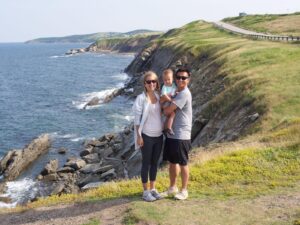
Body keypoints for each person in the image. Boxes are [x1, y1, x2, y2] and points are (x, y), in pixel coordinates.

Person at [161, 67, 192, 200]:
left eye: (183, 78)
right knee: (173, 162)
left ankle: (184, 190)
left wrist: (163, 107)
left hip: (181, 134)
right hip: (173, 133)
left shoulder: (184, 93)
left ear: (188, 80)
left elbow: (168, 111)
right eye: (178, 77)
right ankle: (173, 188)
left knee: (183, 162)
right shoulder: (177, 92)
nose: (180, 80)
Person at [132, 71, 164, 202]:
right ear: (144, 84)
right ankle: (145, 192)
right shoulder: (141, 98)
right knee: (146, 163)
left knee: (155, 163)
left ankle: (153, 189)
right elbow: (136, 120)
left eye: (154, 81)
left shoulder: (158, 95)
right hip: (146, 135)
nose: (151, 84)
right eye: (148, 82)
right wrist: (139, 136)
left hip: (159, 136)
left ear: (157, 83)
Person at [160, 69, 177, 135]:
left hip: (169, 101)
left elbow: (175, 91)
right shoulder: (164, 87)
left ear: (172, 79)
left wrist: (176, 92)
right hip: (165, 102)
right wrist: (170, 100)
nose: (167, 81)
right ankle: (168, 128)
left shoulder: (173, 85)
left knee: (170, 115)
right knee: (171, 114)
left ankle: (166, 128)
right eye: (165, 80)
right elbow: (164, 95)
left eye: (168, 79)